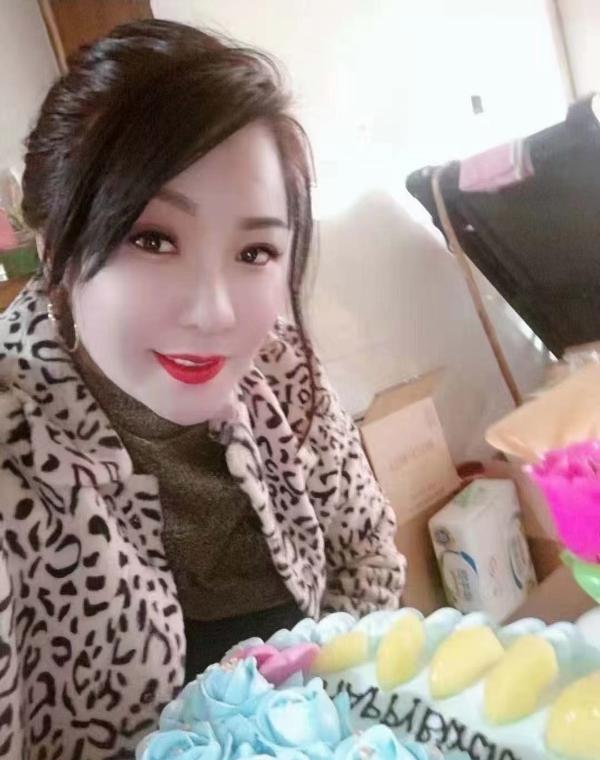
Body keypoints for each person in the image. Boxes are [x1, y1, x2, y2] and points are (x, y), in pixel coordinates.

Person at [0, 19, 406, 760]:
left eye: (255, 251)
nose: (216, 313)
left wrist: (344, 727)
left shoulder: (282, 371)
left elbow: (366, 557)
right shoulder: (11, 452)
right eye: (152, 239)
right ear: (54, 249)